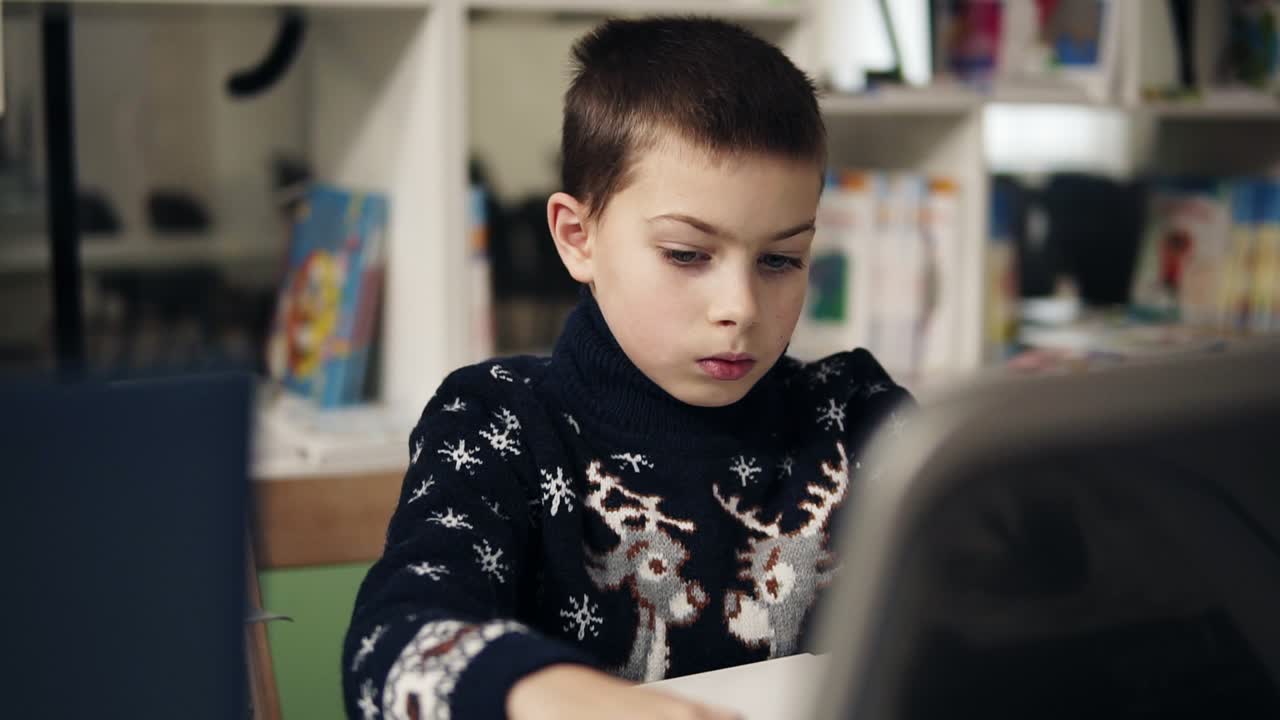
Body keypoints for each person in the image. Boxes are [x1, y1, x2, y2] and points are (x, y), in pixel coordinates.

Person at [342, 16, 913, 720]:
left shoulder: (859, 417)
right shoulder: (500, 424)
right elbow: (390, 649)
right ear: (577, 238)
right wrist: (561, 699)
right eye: (686, 254)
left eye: (779, 260)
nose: (739, 307)